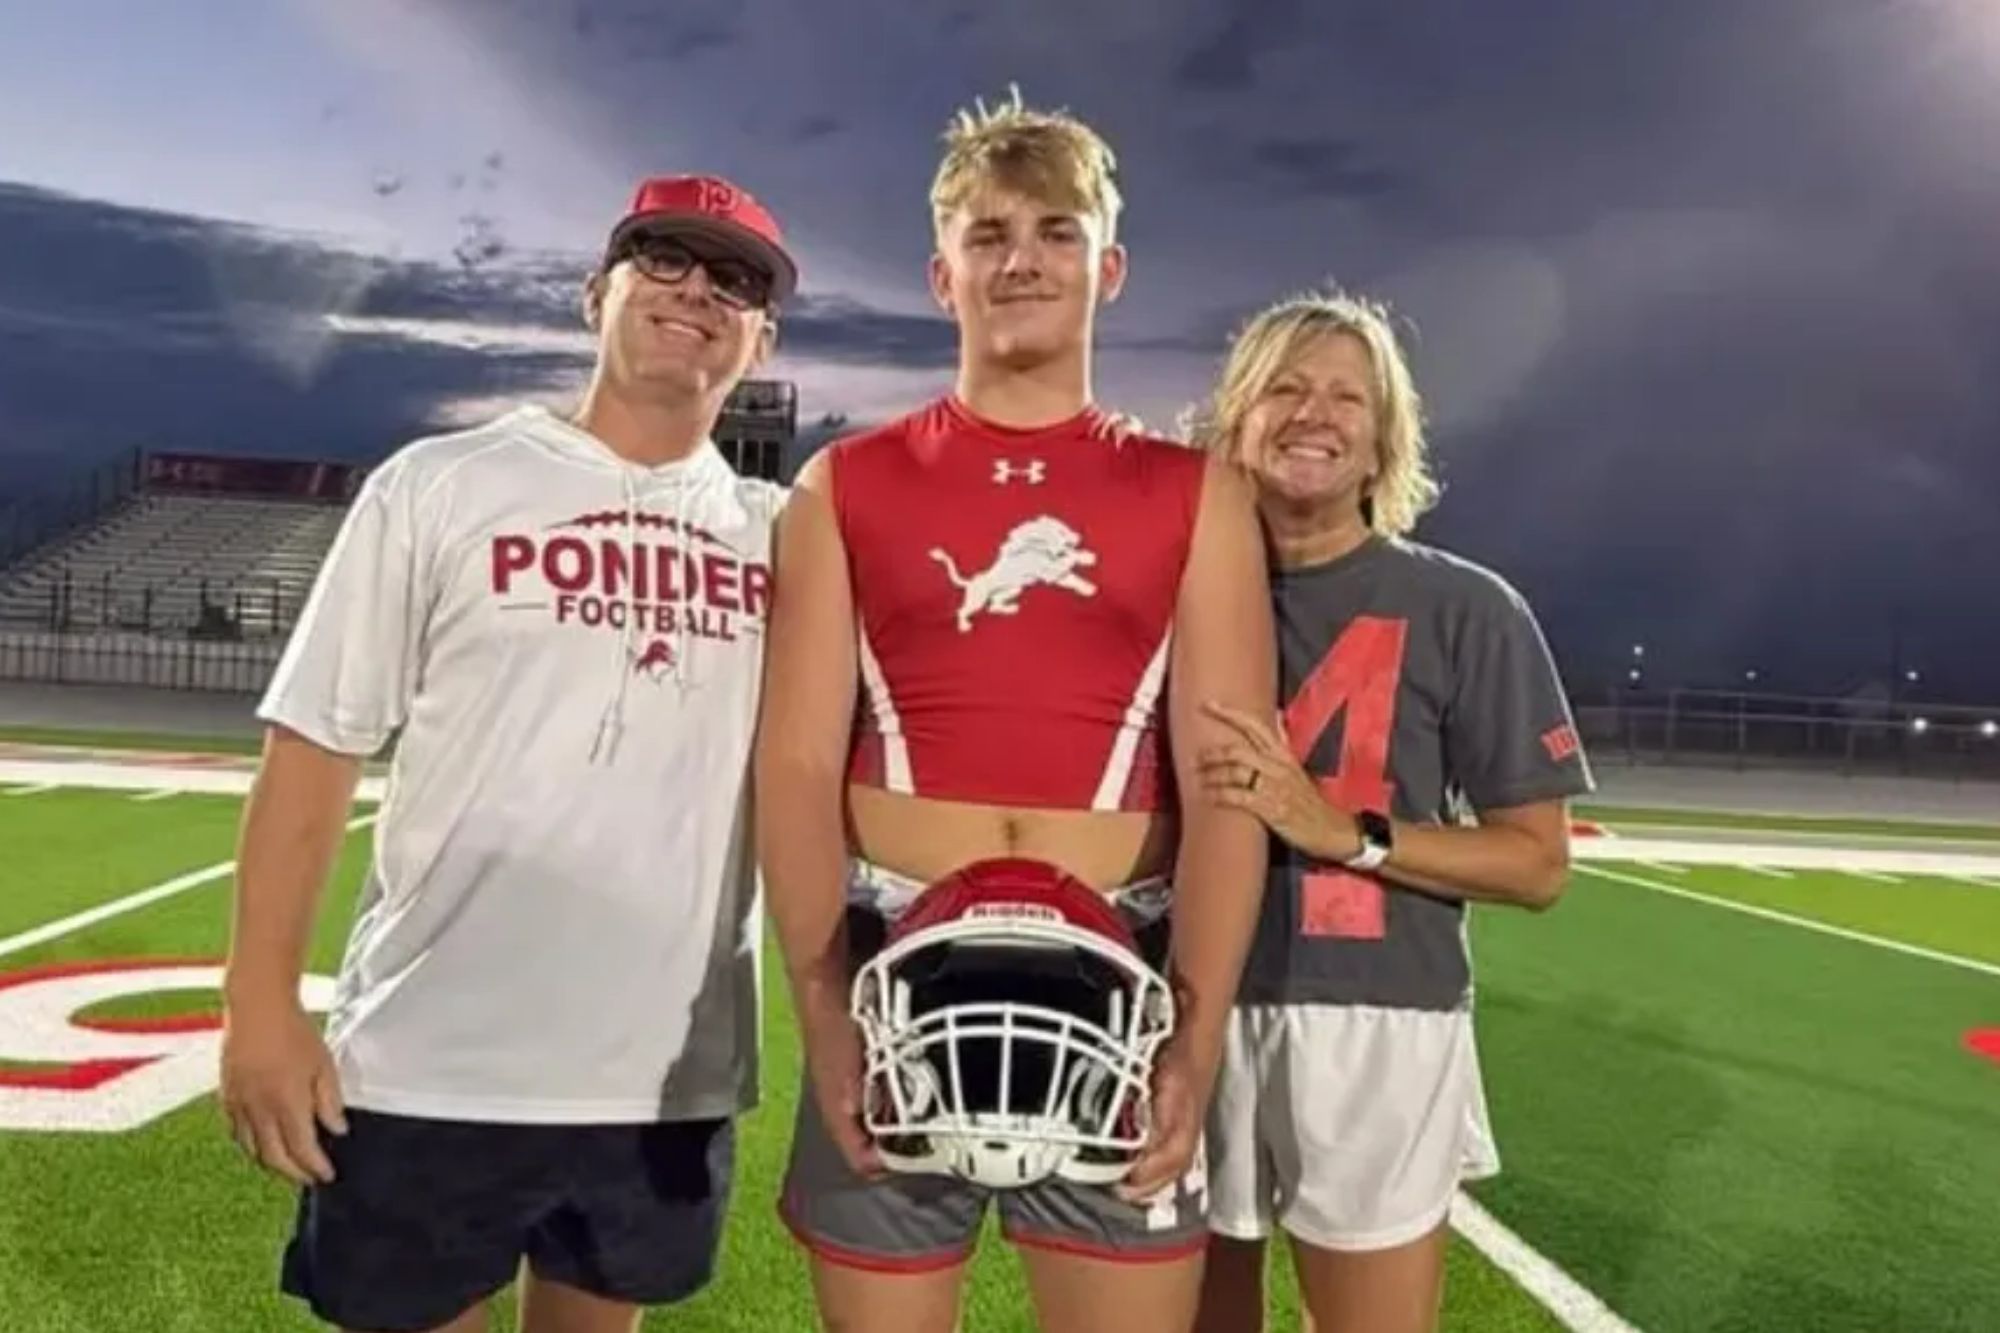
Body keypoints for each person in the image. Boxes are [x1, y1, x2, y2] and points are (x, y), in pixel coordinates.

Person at [220, 174, 798, 1333]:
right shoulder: (444, 485)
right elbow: (315, 747)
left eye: (733, 281)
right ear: (597, 294)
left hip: (660, 1072)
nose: (697, 292)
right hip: (431, 1056)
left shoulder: (782, 533)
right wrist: (259, 1001)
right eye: (664, 260)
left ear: (761, 336)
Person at [755, 90, 1276, 1333]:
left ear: (1109, 264)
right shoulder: (846, 482)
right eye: (987, 235)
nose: (1021, 259)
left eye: (1053, 230)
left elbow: (1225, 785)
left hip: (1120, 974)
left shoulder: (1192, 491)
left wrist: (1192, 1037)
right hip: (891, 967)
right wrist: (822, 1012)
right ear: (942, 275)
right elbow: (791, 763)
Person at [1182, 290, 1595, 1333]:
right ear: (1232, 417)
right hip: (1182, 1004)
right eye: (1283, 387)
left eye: (1344, 398)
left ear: (1380, 444)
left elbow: (1537, 865)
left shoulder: (1465, 607)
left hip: (1377, 1014)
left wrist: (1344, 833)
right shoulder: (1160, 588)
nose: (1311, 414)